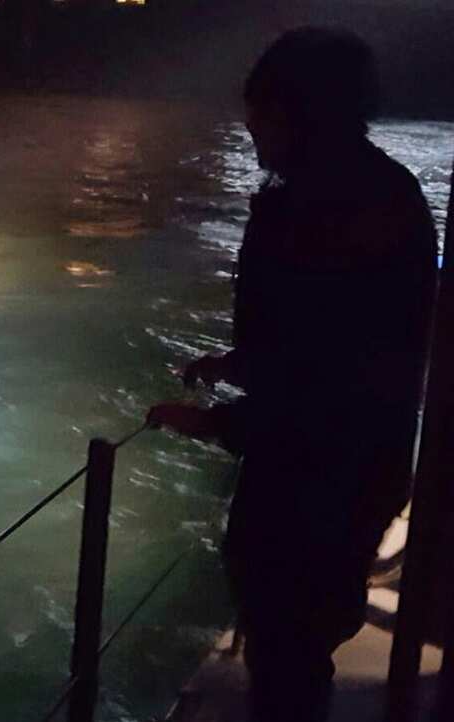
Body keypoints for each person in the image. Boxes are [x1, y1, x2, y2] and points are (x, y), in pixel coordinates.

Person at [146, 27, 437, 722]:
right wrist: (238, 364)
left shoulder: (303, 211)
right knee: (306, 644)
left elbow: (325, 375)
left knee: (286, 649)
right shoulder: (393, 192)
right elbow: (357, 339)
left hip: (309, 483)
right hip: (372, 466)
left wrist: (216, 422)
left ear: (297, 112)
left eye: (262, 112)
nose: (252, 127)